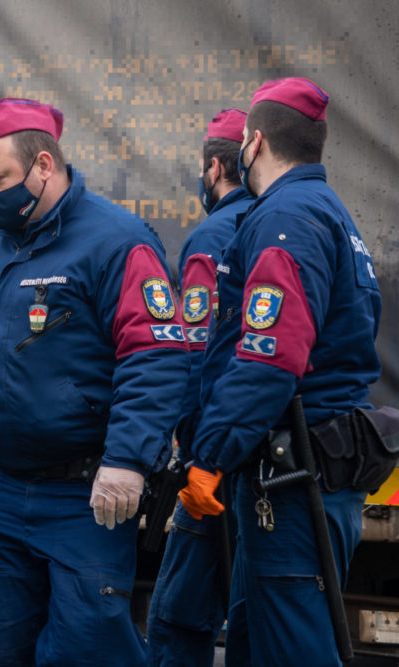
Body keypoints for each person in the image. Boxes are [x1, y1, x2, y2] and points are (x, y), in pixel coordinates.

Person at [0, 98, 190, 666]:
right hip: (2, 498)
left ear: (42, 166)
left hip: (85, 500)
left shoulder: (116, 241)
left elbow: (156, 357)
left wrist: (128, 460)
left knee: (87, 651)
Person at [179, 78, 383, 666]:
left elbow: (270, 356)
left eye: (242, 140)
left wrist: (210, 456)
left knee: (295, 652)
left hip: (292, 480)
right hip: (309, 469)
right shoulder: (330, 212)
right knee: (255, 644)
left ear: (255, 142)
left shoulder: (284, 218)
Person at [146, 108, 253, 666]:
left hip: (213, 454)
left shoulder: (213, 235)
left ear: (214, 167)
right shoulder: (285, 220)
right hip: (271, 448)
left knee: (177, 616)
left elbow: (194, 350)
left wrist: (187, 445)